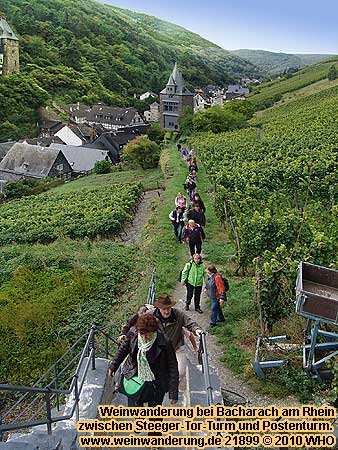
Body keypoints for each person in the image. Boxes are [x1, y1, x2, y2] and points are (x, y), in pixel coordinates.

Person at [120, 294, 202, 383]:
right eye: (164, 309)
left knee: (180, 371)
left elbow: (189, 322)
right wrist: (125, 334)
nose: (167, 311)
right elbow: (135, 323)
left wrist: (197, 330)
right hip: (157, 348)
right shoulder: (150, 314)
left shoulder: (178, 315)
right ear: (159, 308)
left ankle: (173, 386)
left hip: (176, 347)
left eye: (168, 308)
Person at [108, 314, 179, 407]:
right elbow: (123, 350)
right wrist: (113, 366)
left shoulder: (164, 341)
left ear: (154, 331)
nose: (145, 337)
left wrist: (173, 393)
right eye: (142, 334)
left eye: (148, 334)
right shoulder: (133, 333)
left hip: (156, 382)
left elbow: (172, 366)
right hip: (135, 377)